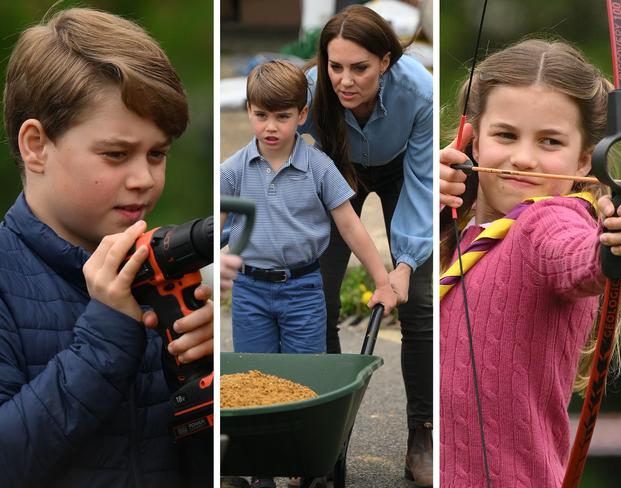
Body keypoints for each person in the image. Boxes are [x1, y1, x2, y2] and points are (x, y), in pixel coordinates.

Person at [0, 8, 213, 488]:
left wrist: (205, 379)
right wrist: (107, 336)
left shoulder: (160, 273)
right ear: (36, 146)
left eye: (157, 154)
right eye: (116, 154)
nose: (144, 180)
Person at [440, 39, 621, 487]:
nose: (524, 157)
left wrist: (616, 243)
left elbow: (580, 257)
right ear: (471, 140)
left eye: (549, 141)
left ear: (582, 160)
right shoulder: (449, 234)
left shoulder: (549, 221)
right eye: (506, 135)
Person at [220, 60, 396, 488]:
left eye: (282, 116)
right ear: (248, 111)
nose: (271, 127)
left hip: (302, 288)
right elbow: (215, 229)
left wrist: (382, 279)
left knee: (301, 381)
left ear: (301, 115)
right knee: (251, 382)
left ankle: (304, 466)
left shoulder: (318, 167)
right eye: (261, 115)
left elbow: (351, 225)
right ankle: (260, 472)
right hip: (250, 291)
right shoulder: (232, 172)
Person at [298, 5, 433, 486]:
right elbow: (279, 160)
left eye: (360, 68)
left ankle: (422, 433)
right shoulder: (311, 93)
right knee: (316, 299)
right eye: (336, 66)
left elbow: (422, 183)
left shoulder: (419, 92)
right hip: (339, 172)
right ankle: (330, 436)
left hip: (401, 172)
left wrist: (405, 263)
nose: (345, 80)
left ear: (385, 62)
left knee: (418, 303)